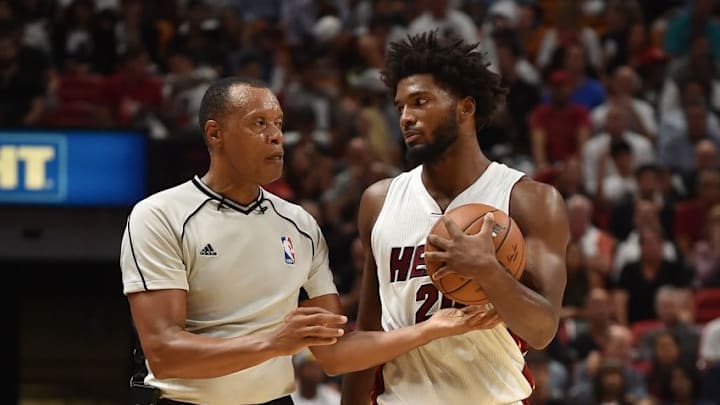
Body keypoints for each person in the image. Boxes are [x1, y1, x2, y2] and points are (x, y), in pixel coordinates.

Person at [120, 77, 496, 405]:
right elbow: (165, 353)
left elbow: (334, 354)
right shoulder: (161, 216)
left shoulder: (300, 225)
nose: (276, 136)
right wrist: (274, 343)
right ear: (215, 134)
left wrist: (432, 329)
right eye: (259, 123)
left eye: (279, 124)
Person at [340, 30, 570, 405]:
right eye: (400, 107)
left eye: (420, 102)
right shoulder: (379, 202)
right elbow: (369, 330)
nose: (406, 118)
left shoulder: (530, 201)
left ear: (465, 107)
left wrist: (488, 271)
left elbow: (543, 329)